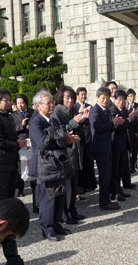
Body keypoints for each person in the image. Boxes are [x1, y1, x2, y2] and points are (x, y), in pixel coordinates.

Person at [0, 89, 27, 265]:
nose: (10, 103)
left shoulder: (7, 116)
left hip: (10, 158)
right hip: (1, 159)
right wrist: (16, 145)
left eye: (10, 100)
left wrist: (20, 132)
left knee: (10, 194)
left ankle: (8, 224)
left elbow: (9, 135)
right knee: (2, 195)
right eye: (6, 100)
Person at [29, 90, 80, 241]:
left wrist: (65, 138)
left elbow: (59, 138)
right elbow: (43, 142)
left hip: (58, 163)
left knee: (60, 195)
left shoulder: (53, 120)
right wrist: (63, 136)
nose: (52, 105)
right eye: (48, 103)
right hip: (44, 164)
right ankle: (47, 228)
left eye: (52, 102)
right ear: (38, 106)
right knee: (48, 197)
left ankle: (56, 224)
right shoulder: (36, 121)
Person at [51, 86, 87, 224]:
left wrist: (81, 121)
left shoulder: (73, 110)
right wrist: (75, 122)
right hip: (66, 153)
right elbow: (58, 131)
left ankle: (72, 211)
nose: (70, 100)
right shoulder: (57, 112)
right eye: (67, 98)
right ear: (61, 98)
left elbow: (77, 129)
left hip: (75, 151)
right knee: (66, 187)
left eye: (72, 97)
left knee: (73, 185)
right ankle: (65, 214)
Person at [89, 87, 124, 210]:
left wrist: (116, 123)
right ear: (97, 97)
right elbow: (97, 127)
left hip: (107, 146)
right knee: (104, 175)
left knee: (108, 174)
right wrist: (113, 123)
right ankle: (104, 202)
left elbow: (109, 127)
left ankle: (106, 199)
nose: (105, 100)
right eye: (103, 98)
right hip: (100, 147)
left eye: (107, 98)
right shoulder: (94, 111)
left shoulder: (107, 111)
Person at [109, 90, 137, 202]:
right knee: (115, 169)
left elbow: (126, 125)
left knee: (121, 169)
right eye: (119, 100)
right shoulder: (112, 110)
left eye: (123, 100)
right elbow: (116, 127)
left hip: (123, 143)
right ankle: (114, 192)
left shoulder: (124, 110)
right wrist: (128, 119)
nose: (121, 102)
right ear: (115, 100)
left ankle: (119, 189)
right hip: (115, 143)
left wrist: (129, 119)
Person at [11, 94, 35, 197]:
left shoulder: (32, 113)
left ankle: (34, 187)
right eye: (18, 103)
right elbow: (11, 129)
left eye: (22, 103)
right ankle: (20, 188)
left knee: (33, 164)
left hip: (31, 141)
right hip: (20, 142)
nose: (20, 105)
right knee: (20, 167)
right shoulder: (12, 115)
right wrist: (21, 125)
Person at [74, 87, 97, 195]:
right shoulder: (75, 107)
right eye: (81, 94)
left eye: (85, 94)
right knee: (80, 161)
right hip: (79, 136)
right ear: (77, 96)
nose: (83, 96)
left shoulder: (89, 106)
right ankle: (79, 187)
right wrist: (80, 113)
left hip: (88, 136)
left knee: (89, 161)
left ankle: (89, 185)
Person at [126, 88, 138, 173]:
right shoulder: (125, 106)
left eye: (133, 96)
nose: (132, 98)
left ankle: (135, 165)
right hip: (128, 128)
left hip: (136, 128)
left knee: (135, 147)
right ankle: (129, 166)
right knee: (129, 147)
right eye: (130, 96)